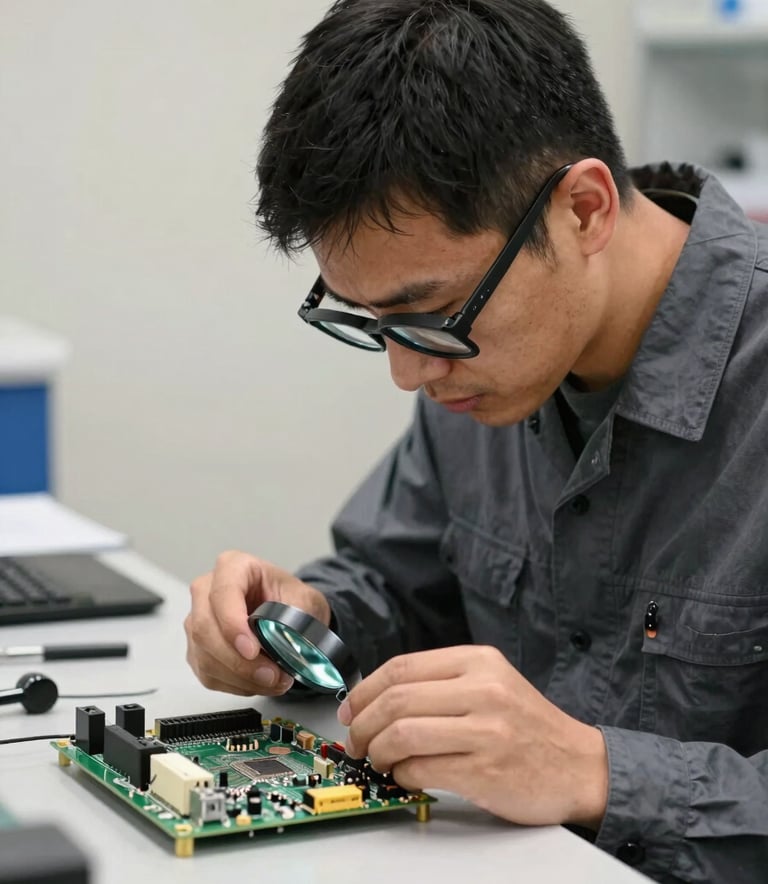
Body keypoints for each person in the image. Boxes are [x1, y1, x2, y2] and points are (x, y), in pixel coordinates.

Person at [183, 1, 768, 880]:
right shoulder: (483, 370)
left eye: (431, 314)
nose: (408, 374)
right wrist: (306, 620)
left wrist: (598, 774)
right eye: (374, 324)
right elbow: (400, 580)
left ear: (584, 210)